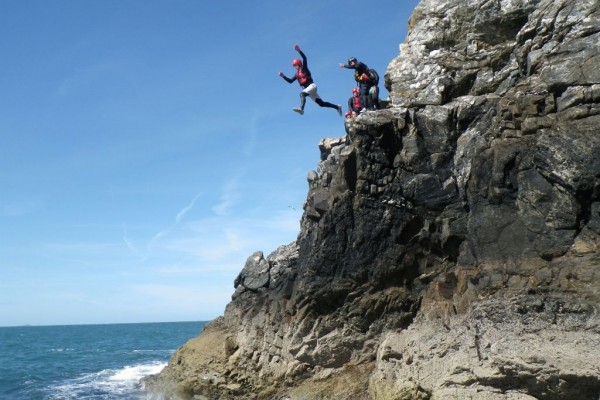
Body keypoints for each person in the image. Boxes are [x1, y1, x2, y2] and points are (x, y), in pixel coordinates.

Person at [279, 45, 342, 116]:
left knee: (302, 94)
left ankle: (301, 109)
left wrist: (299, 51)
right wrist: (283, 76)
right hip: (309, 90)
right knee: (321, 104)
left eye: (295, 65)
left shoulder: (304, 68)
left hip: (312, 86)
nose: (295, 67)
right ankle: (337, 107)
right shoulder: (296, 74)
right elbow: (290, 81)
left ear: (299, 64)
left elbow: (305, 58)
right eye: (294, 66)